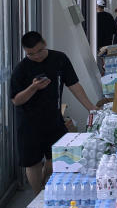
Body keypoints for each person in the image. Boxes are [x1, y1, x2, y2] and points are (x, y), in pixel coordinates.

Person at [10, 31, 103, 193]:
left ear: (44, 43)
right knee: (33, 163)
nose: (36, 56)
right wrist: (33, 87)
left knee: (57, 159)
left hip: (53, 119)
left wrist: (92, 109)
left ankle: (46, 181)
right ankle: (38, 196)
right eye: (31, 54)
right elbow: (16, 100)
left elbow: (74, 85)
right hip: (28, 123)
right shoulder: (21, 69)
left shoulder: (59, 59)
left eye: (39, 51)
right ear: (26, 52)